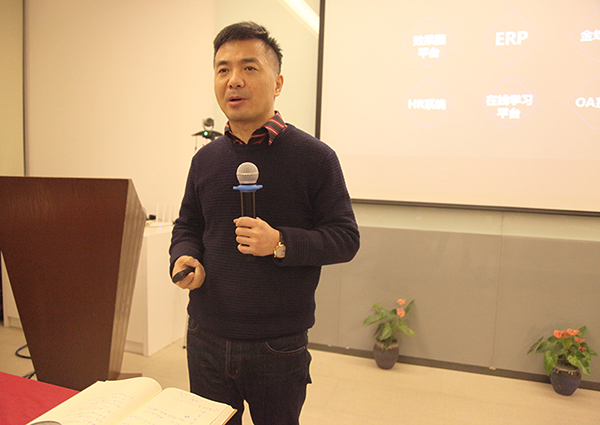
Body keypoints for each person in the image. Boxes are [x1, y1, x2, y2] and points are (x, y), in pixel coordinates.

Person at [169, 21, 359, 425]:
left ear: (278, 83)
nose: (233, 80)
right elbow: (187, 225)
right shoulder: (205, 160)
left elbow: (345, 238)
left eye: (249, 68)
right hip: (205, 337)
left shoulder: (315, 157)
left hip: (278, 345)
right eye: (223, 69)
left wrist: (280, 242)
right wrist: (185, 257)